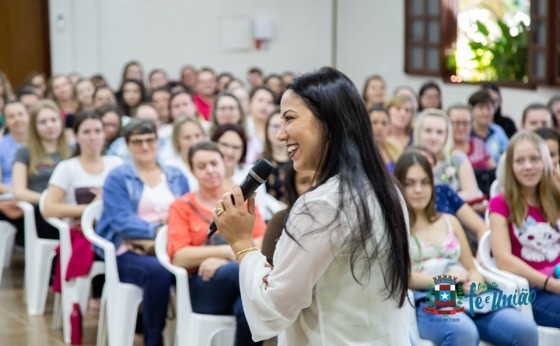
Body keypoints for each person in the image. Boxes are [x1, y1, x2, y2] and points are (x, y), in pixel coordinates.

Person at [211, 67, 411, 345]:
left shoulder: (321, 205)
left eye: (289, 119)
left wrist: (242, 242)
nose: (281, 134)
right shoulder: (388, 192)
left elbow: (270, 311)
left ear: (328, 122)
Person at [394, 150, 538, 346]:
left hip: (467, 294)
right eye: (410, 183)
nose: (419, 190)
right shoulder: (396, 228)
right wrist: (443, 281)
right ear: (398, 186)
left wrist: (475, 283)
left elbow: (471, 269)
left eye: (425, 182)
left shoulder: (450, 221)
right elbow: (401, 275)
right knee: (464, 332)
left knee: (525, 329)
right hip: (429, 298)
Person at [95, 118, 189, 346]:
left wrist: (167, 233)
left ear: (158, 142)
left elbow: (188, 211)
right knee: (158, 272)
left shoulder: (176, 175)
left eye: (149, 140)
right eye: (138, 142)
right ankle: (153, 339)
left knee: (194, 269)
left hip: (169, 245)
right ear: (128, 145)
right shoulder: (118, 177)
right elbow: (122, 221)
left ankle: (187, 335)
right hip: (128, 249)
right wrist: (158, 230)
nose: (145, 147)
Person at [167, 141, 266, 346]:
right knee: (245, 274)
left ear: (224, 164)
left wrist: (223, 258)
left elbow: (262, 240)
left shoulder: (240, 202)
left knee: (247, 308)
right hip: (202, 288)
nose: (210, 170)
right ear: (192, 171)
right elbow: (179, 256)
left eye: (214, 163)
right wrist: (233, 251)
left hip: (237, 284)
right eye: (202, 166)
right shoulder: (181, 206)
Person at [489, 131, 560, 329]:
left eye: (534, 159)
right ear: (510, 166)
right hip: (532, 292)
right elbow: (503, 260)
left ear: (545, 162)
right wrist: (550, 284)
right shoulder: (500, 203)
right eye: (520, 161)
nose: (528, 166)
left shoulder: (556, 198)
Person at [12, 99, 71, 240]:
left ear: (61, 122)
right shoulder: (24, 151)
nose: (50, 126)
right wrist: (49, 201)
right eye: (43, 122)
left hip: (70, 208)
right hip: (40, 211)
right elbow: (19, 192)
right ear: (35, 127)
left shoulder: (73, 149)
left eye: (53, 120)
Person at [413, 108, 482, 202]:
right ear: (419, 132)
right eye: (428, 131)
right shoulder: (409, 160)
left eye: (440, 132)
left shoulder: (458, 158)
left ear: (447, 136)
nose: (434, 137)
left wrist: (441, 199)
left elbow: (472, 193)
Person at [261, 161, 314, 265]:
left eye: (320, 178)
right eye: (304, 181)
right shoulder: (280, 219)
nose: (313, 186)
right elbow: (266, 267)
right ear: (293, 187)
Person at [0, 102, 30, 245]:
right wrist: (18, 193)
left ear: (28, 116)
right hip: (9, 197)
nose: (17, 119)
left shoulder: (38, 143)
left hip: (32, 196)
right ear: (5, 121)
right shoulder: (1, 145)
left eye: (20, 114)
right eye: (11, 116)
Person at [164, 116, 207, 190]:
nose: (194, 142)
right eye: (187, 137)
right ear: (177, 141)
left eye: (197, 136)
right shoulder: (170, 167)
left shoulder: (213, 161)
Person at [468, 90, 509, 164]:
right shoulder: (466, 133)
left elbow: (508, 153)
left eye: (489, 108)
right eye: (481, 108)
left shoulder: (498, 131)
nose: (486, 113)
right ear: (471, 110)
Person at [261, 108, 289, 202]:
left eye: (282, 126)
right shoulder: (260, 163)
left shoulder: (298, 162)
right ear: (266, 130)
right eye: (275, 126)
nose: (279, 131)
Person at [368, 106, 402, 172]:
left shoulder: (396, 148)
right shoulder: (359, 151)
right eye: (374, 122)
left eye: (384, 123)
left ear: (389, 126)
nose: (379, 127)